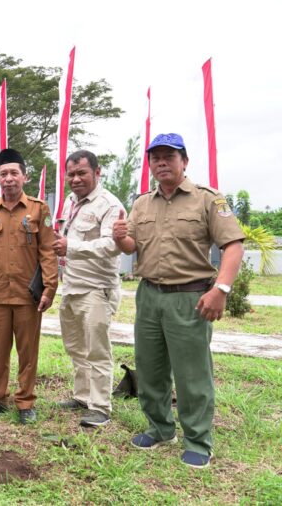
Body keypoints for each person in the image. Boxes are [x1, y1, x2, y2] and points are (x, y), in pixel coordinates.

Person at [113, 133, 244, 469]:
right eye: (155, 157)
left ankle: (198, 440)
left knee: (192, 373)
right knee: (150, 367)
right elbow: (132, 248)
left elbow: (233, 245)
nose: (161, 163)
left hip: (190, 296)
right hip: (149, 295)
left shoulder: (207, 199)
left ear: (184, 161)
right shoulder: (142, 203)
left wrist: (222, 290)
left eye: (169, 156)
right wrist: (122, 238)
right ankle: (159, 428)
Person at [0, 148, 58, 424]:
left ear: (24, 176)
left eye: (14, 173)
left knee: (28, 350)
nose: (9, 178)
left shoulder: (38, 209)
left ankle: (25, 402)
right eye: (3, 174)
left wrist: (50, 287)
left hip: (26, 295)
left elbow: (47, 250)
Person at [51, 150, 125, 427]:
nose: (75, 178)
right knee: (75, 346)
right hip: (71, 286)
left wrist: (72, 246)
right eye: (71, 174)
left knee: (97, 349)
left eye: (81, 172)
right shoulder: (72, 202)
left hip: (97, 289)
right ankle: (82, 396)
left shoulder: (109, 205)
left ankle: (100, 406)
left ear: (97, 172)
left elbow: (111, 245)